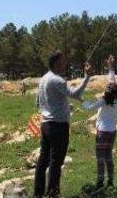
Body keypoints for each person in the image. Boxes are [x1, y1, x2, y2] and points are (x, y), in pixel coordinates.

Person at [34, 51, 92, 198]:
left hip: (45, 124)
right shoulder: (57, 80)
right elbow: (75, 93)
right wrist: (87, 77)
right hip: (58, 127)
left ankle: (38, 193)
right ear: (56, 63)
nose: (65, 63)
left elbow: (38, 102)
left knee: (43, 160)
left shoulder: (43, 79)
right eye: (63, 61)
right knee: (55, 162)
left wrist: (64, 106)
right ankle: (52, 194)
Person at [82, 56, 117, 191]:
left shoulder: (104, 101)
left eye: (107, 87)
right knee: (108, 156)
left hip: (102, 132)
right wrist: (110, 67)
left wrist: (80, 99)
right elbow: (112, 81)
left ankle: (99, 183)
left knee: (100, 159)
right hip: (112, 132)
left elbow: (89, 107)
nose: (108, 85)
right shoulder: (115, 98)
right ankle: (110, 180)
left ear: (107, 92)